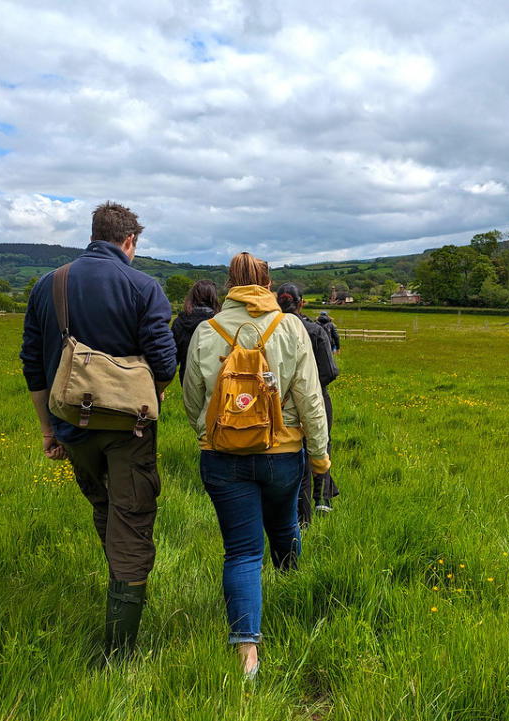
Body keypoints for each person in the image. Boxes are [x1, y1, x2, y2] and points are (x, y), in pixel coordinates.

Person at [20, 201, 177, 660]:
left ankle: (118, 587)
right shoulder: (145, 287)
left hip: (71, 424)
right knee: (131, 519)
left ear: (93, 234)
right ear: (129, 241)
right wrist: (154, 391)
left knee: (105, 506)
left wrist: (48, 431)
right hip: (132, 429)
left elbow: (33, 366)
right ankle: (120, 649)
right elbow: (165, 362)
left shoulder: (49, 285)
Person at [182, 253, 329, 682]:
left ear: (230, 284)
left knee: (243, 552)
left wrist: (209, 434)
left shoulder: (206, 332)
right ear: (267, 284)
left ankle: (247, 654)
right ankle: (293, 594)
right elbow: (310, 398)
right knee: (284, 525)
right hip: (283, 455)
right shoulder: (290, 327)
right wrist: (319, 457)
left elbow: (193, 399)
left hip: (224, 458)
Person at [275, 283, 340, 525]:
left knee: (294, 451)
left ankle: (299, 512)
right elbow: (330, 371)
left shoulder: (270, 332)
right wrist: (310, 386)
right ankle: (322, 499)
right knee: (320, 444)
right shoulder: (314, 330)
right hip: (316, 397)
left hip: (281, 401)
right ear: (301, 303)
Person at [172, 279, 220, 385]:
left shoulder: (179, 322)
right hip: (214, 375)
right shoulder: (218, 322)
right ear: (214, 297)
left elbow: (173, 355)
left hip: (186, 375)